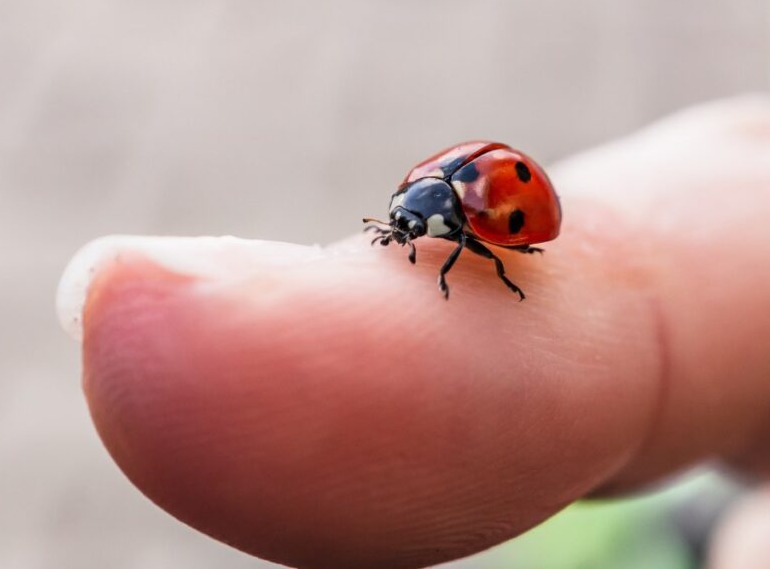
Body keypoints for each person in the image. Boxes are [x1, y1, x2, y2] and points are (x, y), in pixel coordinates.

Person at [57, 96, 770, 569]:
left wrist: (482, 268)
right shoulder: (428, 204)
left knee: (480, 271)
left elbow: (469, 242)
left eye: (409, 227)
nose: (404, 234)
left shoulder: (465, 222)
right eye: (401, 225)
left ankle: (679, 529)